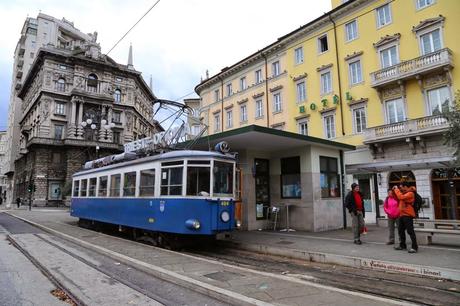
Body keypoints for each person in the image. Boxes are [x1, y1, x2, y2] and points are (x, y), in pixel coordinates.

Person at [393, 183, 418, 253]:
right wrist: (394, 191)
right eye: (400, 188)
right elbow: (397, 198)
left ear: (406, 187)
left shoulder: (410, 193)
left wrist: (397, 190)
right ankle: (402, 245)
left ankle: (414, 247)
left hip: (408, 215)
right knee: (400, 231)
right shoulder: (403, 193)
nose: (400, 189)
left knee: (410, 231)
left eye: (401, 187)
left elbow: (401, 197)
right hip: (402, 215)